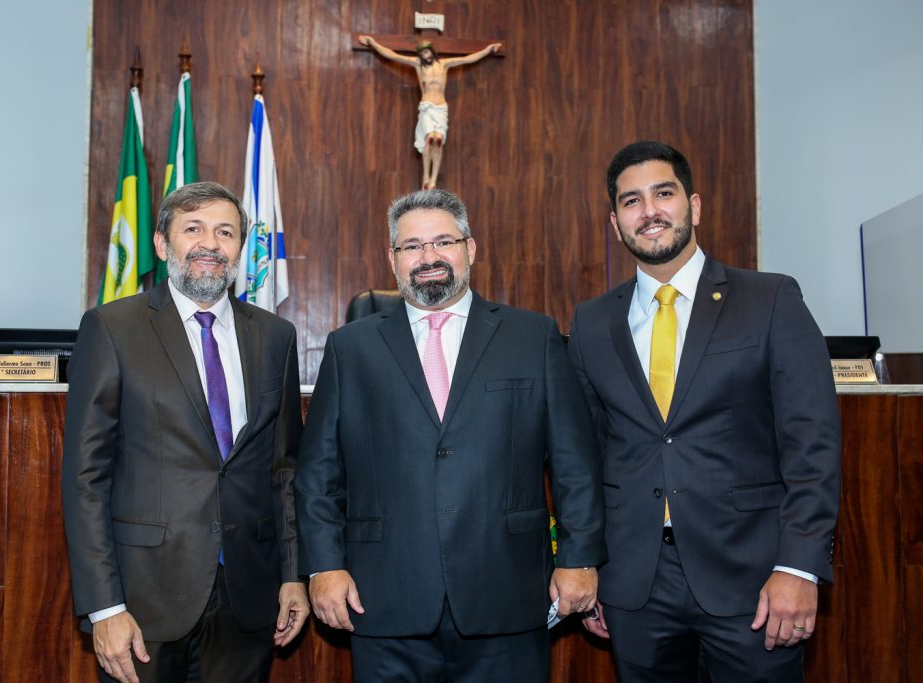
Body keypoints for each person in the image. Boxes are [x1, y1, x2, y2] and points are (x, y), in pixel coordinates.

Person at [295, 188, 605, 682]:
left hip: (507, 595)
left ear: (470, 249)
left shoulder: (533, 337)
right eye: (412, 246)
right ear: (392, 259)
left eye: (443, 241)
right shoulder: (349, 349)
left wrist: (581, 558)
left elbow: (575, 464)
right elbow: (318, 474)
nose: (429, 257)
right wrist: (323, 566)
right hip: (383, 599)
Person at [568, 141, 841, 682]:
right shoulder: (591, 323)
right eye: (631, 201)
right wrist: (589, 563)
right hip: (635, 585)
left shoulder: (770, 300)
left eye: (663, 194)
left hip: (755, 579)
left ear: (693, 205)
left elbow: (813, 445)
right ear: (616, 223)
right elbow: (586, 458)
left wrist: (799, 566)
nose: (649, 211)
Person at [62, 181, 308, 682]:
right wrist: (104, 606)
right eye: (193, 229)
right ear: (161, 243)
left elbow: (284, 469)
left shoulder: (275, 336)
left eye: (225, 232)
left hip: (249, 594)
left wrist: (293, 575)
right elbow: (86, 478)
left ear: (240, 248)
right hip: (143, 598)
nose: (210, 244)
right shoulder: (112, 328)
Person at [359, 36, 501, 190]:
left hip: (440, 108)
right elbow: (393, 55)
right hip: (427, 107)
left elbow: (468, 59)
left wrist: (488, 50)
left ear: (432, 51)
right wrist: (373, 43)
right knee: (430, 139)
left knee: (438, 141)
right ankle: (425, 177)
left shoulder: (444, 64)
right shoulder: (418, 64)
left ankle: (433, 180)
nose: (424, 56)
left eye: (426, 52)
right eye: (421, 54)